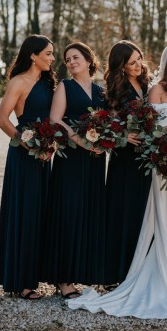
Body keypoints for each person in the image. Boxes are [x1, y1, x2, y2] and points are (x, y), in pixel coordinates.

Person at [67, 43, 167, 318]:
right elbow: (149, 126)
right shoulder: (150, 91)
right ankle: (138, 272)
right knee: (159, 218)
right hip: (158, 163)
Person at [0, 35, 56, 299]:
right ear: (33, 55)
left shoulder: (47, 83)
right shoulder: (19, 82)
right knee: (25, 212)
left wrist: (49, 144)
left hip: (45, 155)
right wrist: (27, 144)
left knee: (41, 213)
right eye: (49, 54)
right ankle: (22, 282)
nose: (52, 59)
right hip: (23, 156)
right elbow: (1, 119)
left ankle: (34, 277)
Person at [41, 42, 106, 298]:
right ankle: (64, 279)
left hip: (95, 159)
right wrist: (81, 141)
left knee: (90, 212)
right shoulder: (64, 88)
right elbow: (56, 120)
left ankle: (84, 271)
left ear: (89, 60)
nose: (71, 62)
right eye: (67, 59)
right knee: (68, 213)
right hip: (71, 158)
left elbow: (109, 122)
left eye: (75, 57)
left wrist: (104, 141)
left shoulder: (102, 91)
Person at [103, 40, 152, 285]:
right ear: (120, 66)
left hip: (147, 156)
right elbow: (108, 125)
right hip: (125, 158)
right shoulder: (115, 89)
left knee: (144, 211)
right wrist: (123, 136)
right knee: (122, 211)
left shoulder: (148, 84)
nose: (138, 65)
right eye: (132, 62)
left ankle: (142, 272)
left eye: (139, 59)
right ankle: (116, 273)